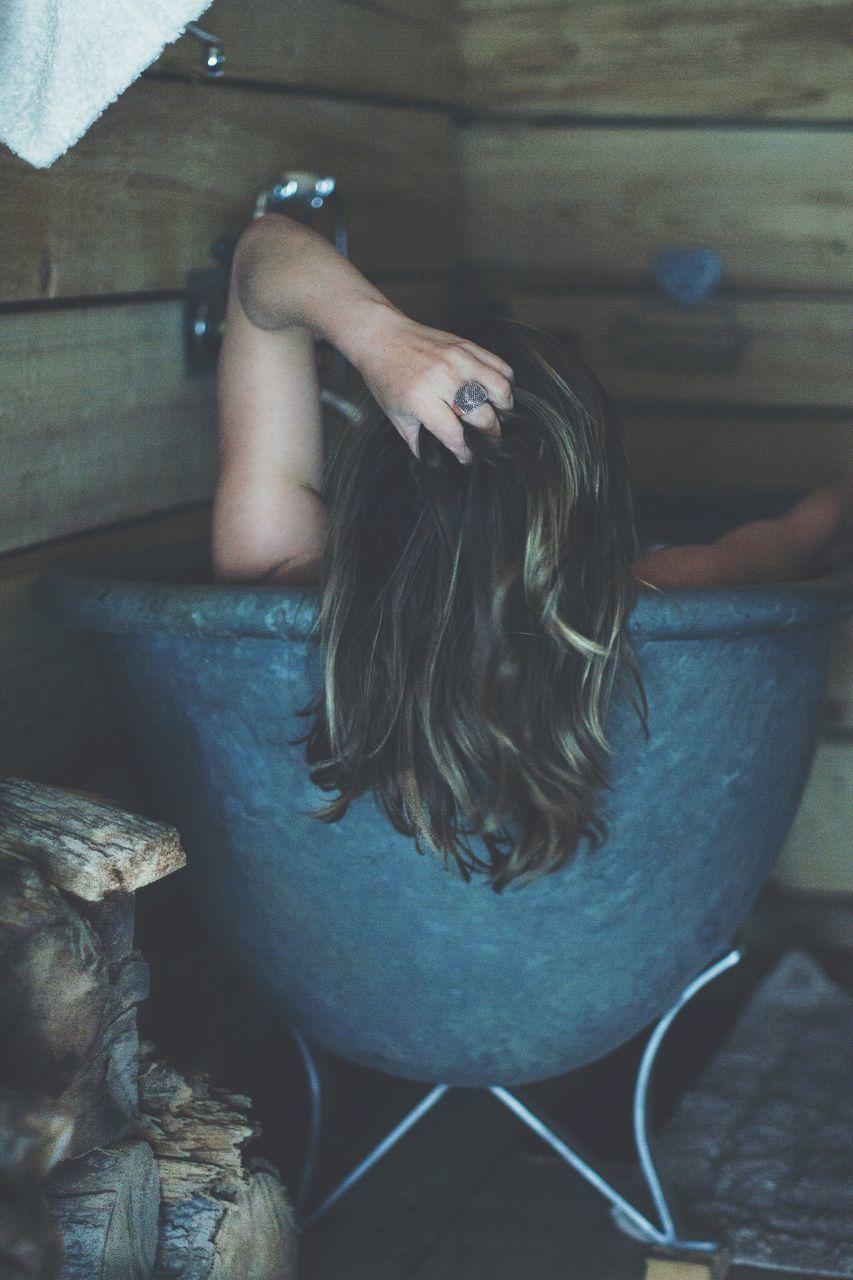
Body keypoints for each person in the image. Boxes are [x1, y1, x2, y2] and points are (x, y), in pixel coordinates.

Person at [211, 212, 850, 891]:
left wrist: (377, 338)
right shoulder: (666, 586)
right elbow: (805, 532)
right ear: (597, 499)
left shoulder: (275, 572)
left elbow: (261, 255)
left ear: (370, 476)